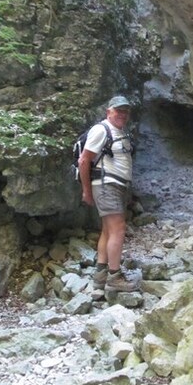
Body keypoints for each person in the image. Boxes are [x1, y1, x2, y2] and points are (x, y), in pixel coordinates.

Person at [78, 95, 139, 293]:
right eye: (118, 110)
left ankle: (100, 276)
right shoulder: (101, 129)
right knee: (119, 229)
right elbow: (83, 161)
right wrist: (87, 190)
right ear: (108, 112)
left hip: (114, 185)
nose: (122, 114)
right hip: (106, 185)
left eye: (125, 111)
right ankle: (115, 276)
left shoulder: (119, 132)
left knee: (108, 230)